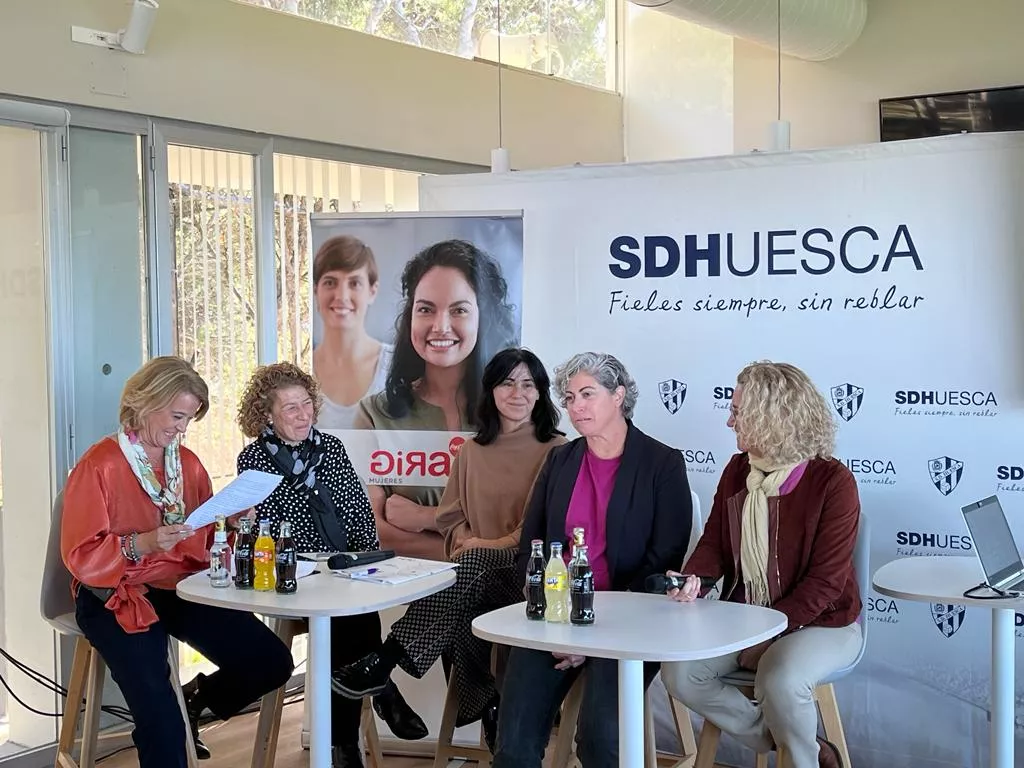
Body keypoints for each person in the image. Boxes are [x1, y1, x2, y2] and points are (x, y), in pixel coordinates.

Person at [61, 356, 294, 768]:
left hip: (179, 585)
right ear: (145, 400)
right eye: (178, 416)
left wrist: (233, 521)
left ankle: (196, 702)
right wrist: (141, 543)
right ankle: (174, 717)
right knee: (159, 715)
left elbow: (201, 538)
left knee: (271, 662)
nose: (182, 429)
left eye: (189, 419)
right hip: (115, 592)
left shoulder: (186, 464)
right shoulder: (99, 465)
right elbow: (81, 554)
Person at [331, 347, 566, 752]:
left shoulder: (558, 450)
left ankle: (384, 663)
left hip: (529, 577)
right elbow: (451, 522)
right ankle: (491, 703)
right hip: (476, 576)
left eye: (529, 384)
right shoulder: (471, 451)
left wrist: (479, 547)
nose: (518, 392)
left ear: (541, 393)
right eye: (508, 382)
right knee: (466, 588)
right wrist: (468, 547)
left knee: (463, 572)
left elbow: (533, 532)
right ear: (490, 390)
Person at [490, 352, 693, 768]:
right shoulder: (561, 459)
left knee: (600, 744)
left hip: (630, 624)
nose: (576, 406)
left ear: (618, 396)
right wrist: (559, 621)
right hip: (555, 617)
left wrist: (590, 635)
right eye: (569, 397)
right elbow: (535, 542)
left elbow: (663, 559)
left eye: (587, 394)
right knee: (512, 747)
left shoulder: (662, 463)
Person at [660, 361, 861, 768]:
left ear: (772, 416)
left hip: (824, 622)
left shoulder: (833, 482)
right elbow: (715, 539)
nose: (729, 421)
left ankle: (802, 757)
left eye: (738, 411)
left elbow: (825, 583)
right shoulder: (737, 470)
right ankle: (794, 739)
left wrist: (766, 634)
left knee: (780, 678)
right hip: (746, 615)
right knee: (679, 674)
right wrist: (694, 577)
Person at [235, 362, 428, 768]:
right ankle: (376, 700)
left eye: (307, 404)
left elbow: (358, 512)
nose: (304, 415)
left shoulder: (332, 450)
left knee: (355, 609)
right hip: (295, 571)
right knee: (347, 620)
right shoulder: (253, 459)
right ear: (266, 414)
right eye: (290, 409)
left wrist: (366, 563)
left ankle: (346, 742)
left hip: (342, 565)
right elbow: (265, 530)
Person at [353, 239, 518, 560]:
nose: (440, 326)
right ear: (410, 316)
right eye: (426, 309)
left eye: (459, 310)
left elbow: (518, 525)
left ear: (485, 317)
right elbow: (372, 529)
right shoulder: (374, 415)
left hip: (500, 598)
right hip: (403, 596)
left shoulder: (513, 413)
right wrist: (474, 547)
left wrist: (423, 519)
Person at [311, 235, 394, 430]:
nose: (341, 296)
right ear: (316, 291)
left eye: (354, 283)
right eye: (330, 282)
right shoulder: (299, 371)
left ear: (372, 291)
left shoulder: (398, 366)